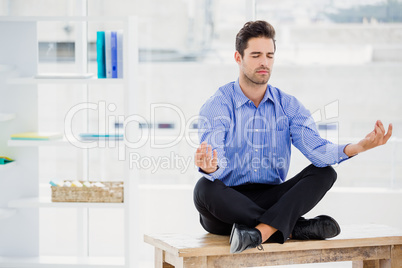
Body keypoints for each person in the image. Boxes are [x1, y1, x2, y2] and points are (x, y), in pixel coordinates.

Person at [193, 20, 393, 254]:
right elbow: (215, 153)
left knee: (325, 172)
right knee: (204, 190)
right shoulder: (218, 104)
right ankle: (294, 228)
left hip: (274, 198)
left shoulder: (288, 105)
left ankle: (261, 233)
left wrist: (357, 147)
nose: (264, 62)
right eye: (256, 55)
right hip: (228, 206)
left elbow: (317, 150)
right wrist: (210, 166)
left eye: (269, 55)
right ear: (238, 58)